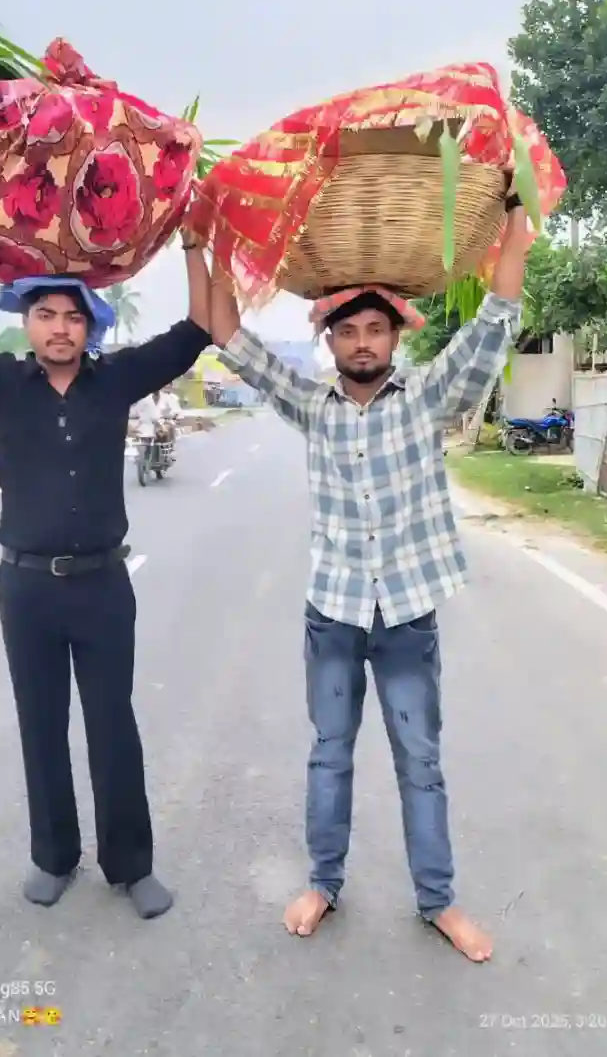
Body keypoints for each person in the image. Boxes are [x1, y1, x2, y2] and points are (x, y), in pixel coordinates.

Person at [202, 190, 533, 962]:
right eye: (346, 330)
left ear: (393, 336)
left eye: (373, 328)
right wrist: (206, 245)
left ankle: (439, 900)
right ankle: (324, 882)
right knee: (329, 750)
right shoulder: (311, 404)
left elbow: (497, 317)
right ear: (330, 342)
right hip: (335, 615)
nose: (360, 342)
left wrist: (514, 228)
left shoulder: (428, 397)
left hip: (408, 615)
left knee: (420, 760)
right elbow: (226, 332)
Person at [0, 196, 212, 920]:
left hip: (103, 584)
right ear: (26, 322)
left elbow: (198, 330)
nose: (60, 328)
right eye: (47, 315)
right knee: (40, 722)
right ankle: (54, 856)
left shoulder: (118, 381)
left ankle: (130, 865)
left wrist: (193, 241)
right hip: (26, 587)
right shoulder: (1, 383)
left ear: (90, 323)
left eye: (73, 315)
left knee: (111, 724)